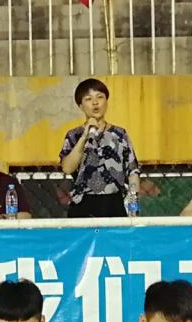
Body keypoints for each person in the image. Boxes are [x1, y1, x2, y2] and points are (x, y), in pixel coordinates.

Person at [58, 78, 139, 218]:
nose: (95, 103)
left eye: (100, 97)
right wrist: (84, 137)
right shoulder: (74, 135)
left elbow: (132, 171)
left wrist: (134, 205)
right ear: (81, 106)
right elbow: (67, 168)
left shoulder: (119, 134)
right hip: (82, 203)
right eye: (88, 99)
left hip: (114, 202)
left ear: (106, 101)